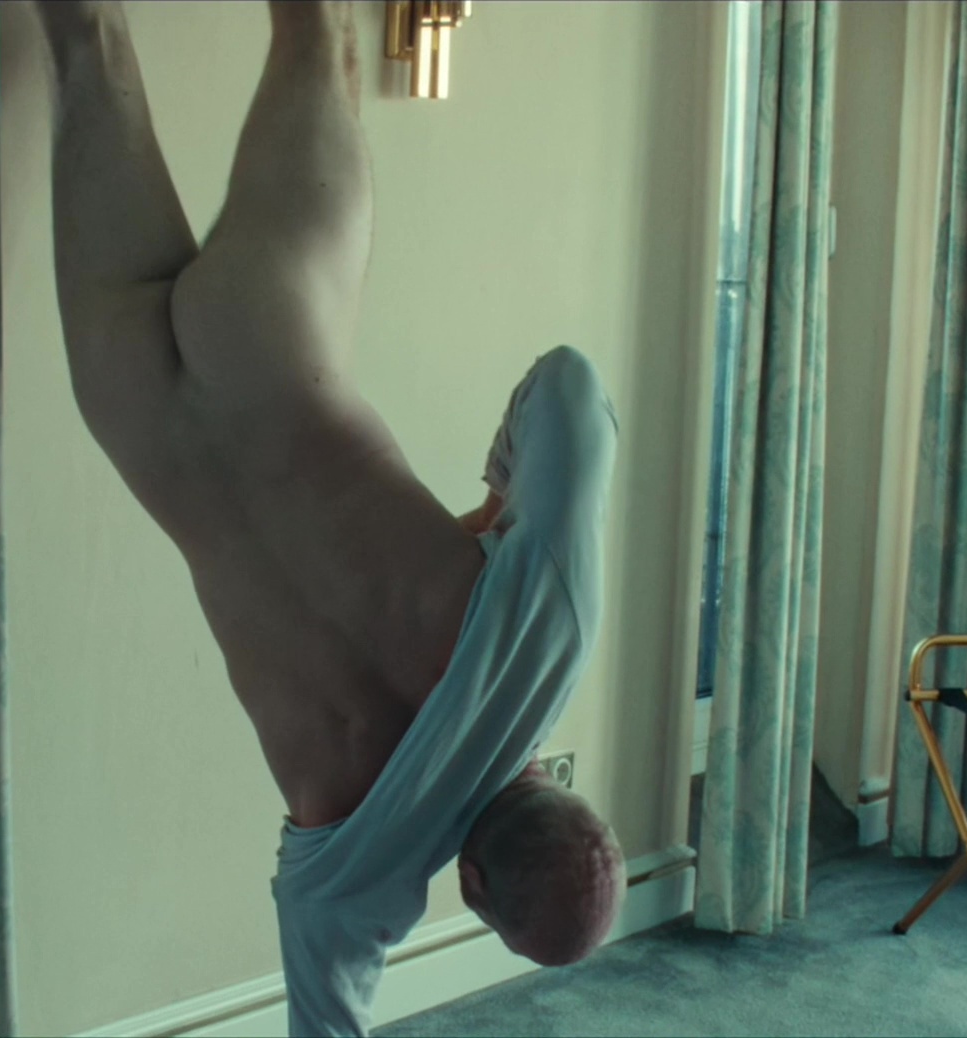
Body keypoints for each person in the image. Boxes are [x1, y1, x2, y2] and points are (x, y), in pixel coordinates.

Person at [35, 2, 625, 1033]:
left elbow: (570, 386)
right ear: (473, 890)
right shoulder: (350, 886)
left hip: (269, 342)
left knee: (319, 32)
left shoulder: (544, 643)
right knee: (85, 46)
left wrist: (496, 504)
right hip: (134, 414)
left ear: (568, 793)